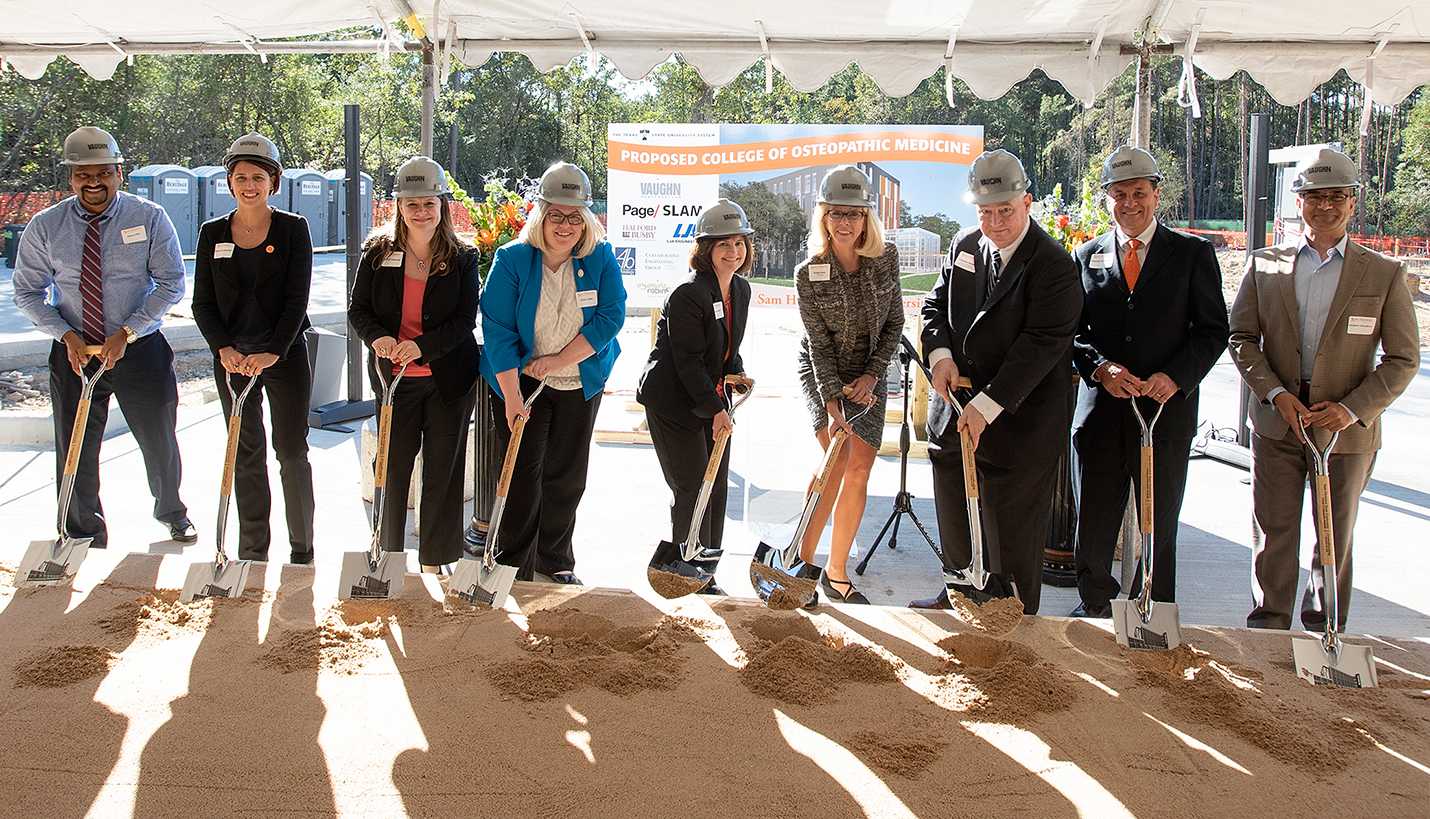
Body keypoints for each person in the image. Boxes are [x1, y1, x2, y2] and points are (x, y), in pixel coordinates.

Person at [1228, 147, 1419, 631]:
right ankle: (1269, 628)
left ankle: (1325, 629)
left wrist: (1353, 410)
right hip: (1279, 425)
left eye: (1336, 196)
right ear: (1299, 201)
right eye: (1314, 196)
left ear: (1353, 202)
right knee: (1274, 534)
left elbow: (1402, 359)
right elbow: (1242, 338)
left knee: (1334, 538)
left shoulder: (1383, 274)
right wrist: (1274, 394)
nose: (1325, 206)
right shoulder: (1264, 265)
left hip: (1346, 435)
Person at [912, 149, 1082, 615]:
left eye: (1005, 210)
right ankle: (959, 594)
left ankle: (1012, 614)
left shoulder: (1053, 266)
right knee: (955, 512)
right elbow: (933, 306)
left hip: (1019, 421)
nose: (994, 222)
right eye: (985, 211)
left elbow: (1040, 347)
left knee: (1011, 528)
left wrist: (987, 406)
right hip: (955, 410)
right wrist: (941, 354)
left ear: (1027, 202)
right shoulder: (965, 246)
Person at [12, 126, 197, 549]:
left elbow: (171, 284)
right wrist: (64, 334)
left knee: (159, 439)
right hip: (75, 354)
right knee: (74, 446)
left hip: (139, 350)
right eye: (82, 174)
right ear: (70, 177)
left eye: (102, 173)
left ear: (119, 172)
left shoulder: (148, 217)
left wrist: (128, 332)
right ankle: (83, 530)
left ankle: (173, 513)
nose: (93, 182)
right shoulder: (46, 226)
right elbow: (27, 291)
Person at [1068, 146, 1229, 617]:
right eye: (1119, 194)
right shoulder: (1086, 255)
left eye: (1139, 192)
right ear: (1107, 200)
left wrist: (1176, 377)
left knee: (1159, 521)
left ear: (1157, 194)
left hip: (1165, 414)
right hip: (1101, 415)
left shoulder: (1192, 254)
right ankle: (1095, 605)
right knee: (1094, 521)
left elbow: (1212, 331)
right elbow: (1072, 333)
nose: (1130, 203)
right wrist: (1099, 368)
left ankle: (1153, 609)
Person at [480, 162, 626, 585]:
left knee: (566, 474)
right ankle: (513, 563)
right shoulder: (512, 259)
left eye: (574, 217)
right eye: (557, 216)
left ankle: (555, 559)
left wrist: (560, 362)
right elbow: (498, 331)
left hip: (579, 382)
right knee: (522, 474)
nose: (565, 225)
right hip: (521, 383)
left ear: (586, 221)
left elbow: (611, 316)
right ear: (541, 216)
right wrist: (511, 396)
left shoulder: (599, 256)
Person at [348, 156, 481, 571]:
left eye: (429, 203)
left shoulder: (462, 256)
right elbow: (359, 309)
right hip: (394, 381)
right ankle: (386, 556)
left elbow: (464, 320)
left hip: (448, 382)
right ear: (399, 207)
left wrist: (422, 347)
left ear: (442, 204)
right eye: (412, 204)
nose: (421, 212)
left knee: (443, 472)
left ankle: (435, 561)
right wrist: (380, 338)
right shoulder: (377, 252)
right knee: (390, 467)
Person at [191, 132, 316, 564]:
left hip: (283, 356)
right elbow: (202, 303)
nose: (249, 185)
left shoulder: (293, 229)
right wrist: (223, 349)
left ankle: (302, 550)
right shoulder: (211, 234)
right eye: (240, 176)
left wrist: (274, 351)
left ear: (274, 183)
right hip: (233, 361)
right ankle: (252, 551)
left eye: (258, 177)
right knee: (245, 454)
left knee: (291, 451)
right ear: (229, 182)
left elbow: (296, 299)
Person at [794, 165, 904, 604]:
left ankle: (837, 573)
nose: (844, 222)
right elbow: (818, 345)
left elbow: (895, 322)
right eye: (835, 212)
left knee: (860, 468)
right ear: (823, 216)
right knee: (835, 462)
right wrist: (833, 400)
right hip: (824, 372)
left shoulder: (886, 258)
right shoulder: (809, 272)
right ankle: (801, 565)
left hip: (870, 374)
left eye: (853, 213)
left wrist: (874, 374)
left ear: (866, 218)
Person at [637, 199, 754, 596]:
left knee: (716, 484)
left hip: (707, 395)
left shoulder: (740, 287)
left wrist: (734, 373)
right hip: (672, 400)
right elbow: (687, 363)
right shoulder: (689, 293)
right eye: (723, 244)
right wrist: (716, 409)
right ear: (705, 249)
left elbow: (724, 347)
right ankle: (684, 569)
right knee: (692, 485)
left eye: (739, 243)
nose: (733, 252)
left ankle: (706, 570)